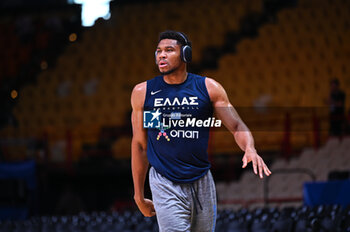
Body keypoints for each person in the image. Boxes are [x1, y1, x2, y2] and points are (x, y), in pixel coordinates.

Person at [131, 30, 271, 232]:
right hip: (164, 180)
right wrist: (138, 194)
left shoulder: (209, 88)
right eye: (158, 51)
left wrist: (250, 148)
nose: (161, 55)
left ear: (185, 54)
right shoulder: (143, 93)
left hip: (202, 180)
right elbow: (140, 146)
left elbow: (237, 125)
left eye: (169, 50)